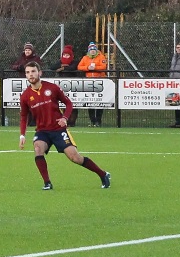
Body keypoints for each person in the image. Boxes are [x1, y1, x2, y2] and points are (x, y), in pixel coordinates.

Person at [18, 62, 111, 190]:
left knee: (75, 157)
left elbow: (68, 103)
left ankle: (103, 174)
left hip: (58, 129)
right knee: (38, 149)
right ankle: (47, 183)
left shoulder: (52, 88)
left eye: (33, 71)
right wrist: (22, 135)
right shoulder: (25, 96)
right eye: (28, 72)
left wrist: (65, 118)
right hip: (42, 131)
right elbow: (24, 116)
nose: (31, 75)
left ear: (39, 73)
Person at [76, 42, 108, 126]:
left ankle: (98, 120)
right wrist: (87, 68)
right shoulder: (85, 58)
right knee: (90, 102)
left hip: (100, 81)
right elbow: (79, 67)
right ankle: (92, 120)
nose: (92, 51)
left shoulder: (101, 57)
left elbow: (103, 67)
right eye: (91, 50)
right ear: (89, 51)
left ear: (96, 50)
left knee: (100, 102)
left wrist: (95, 68)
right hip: (89, 82)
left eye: (94, 49)